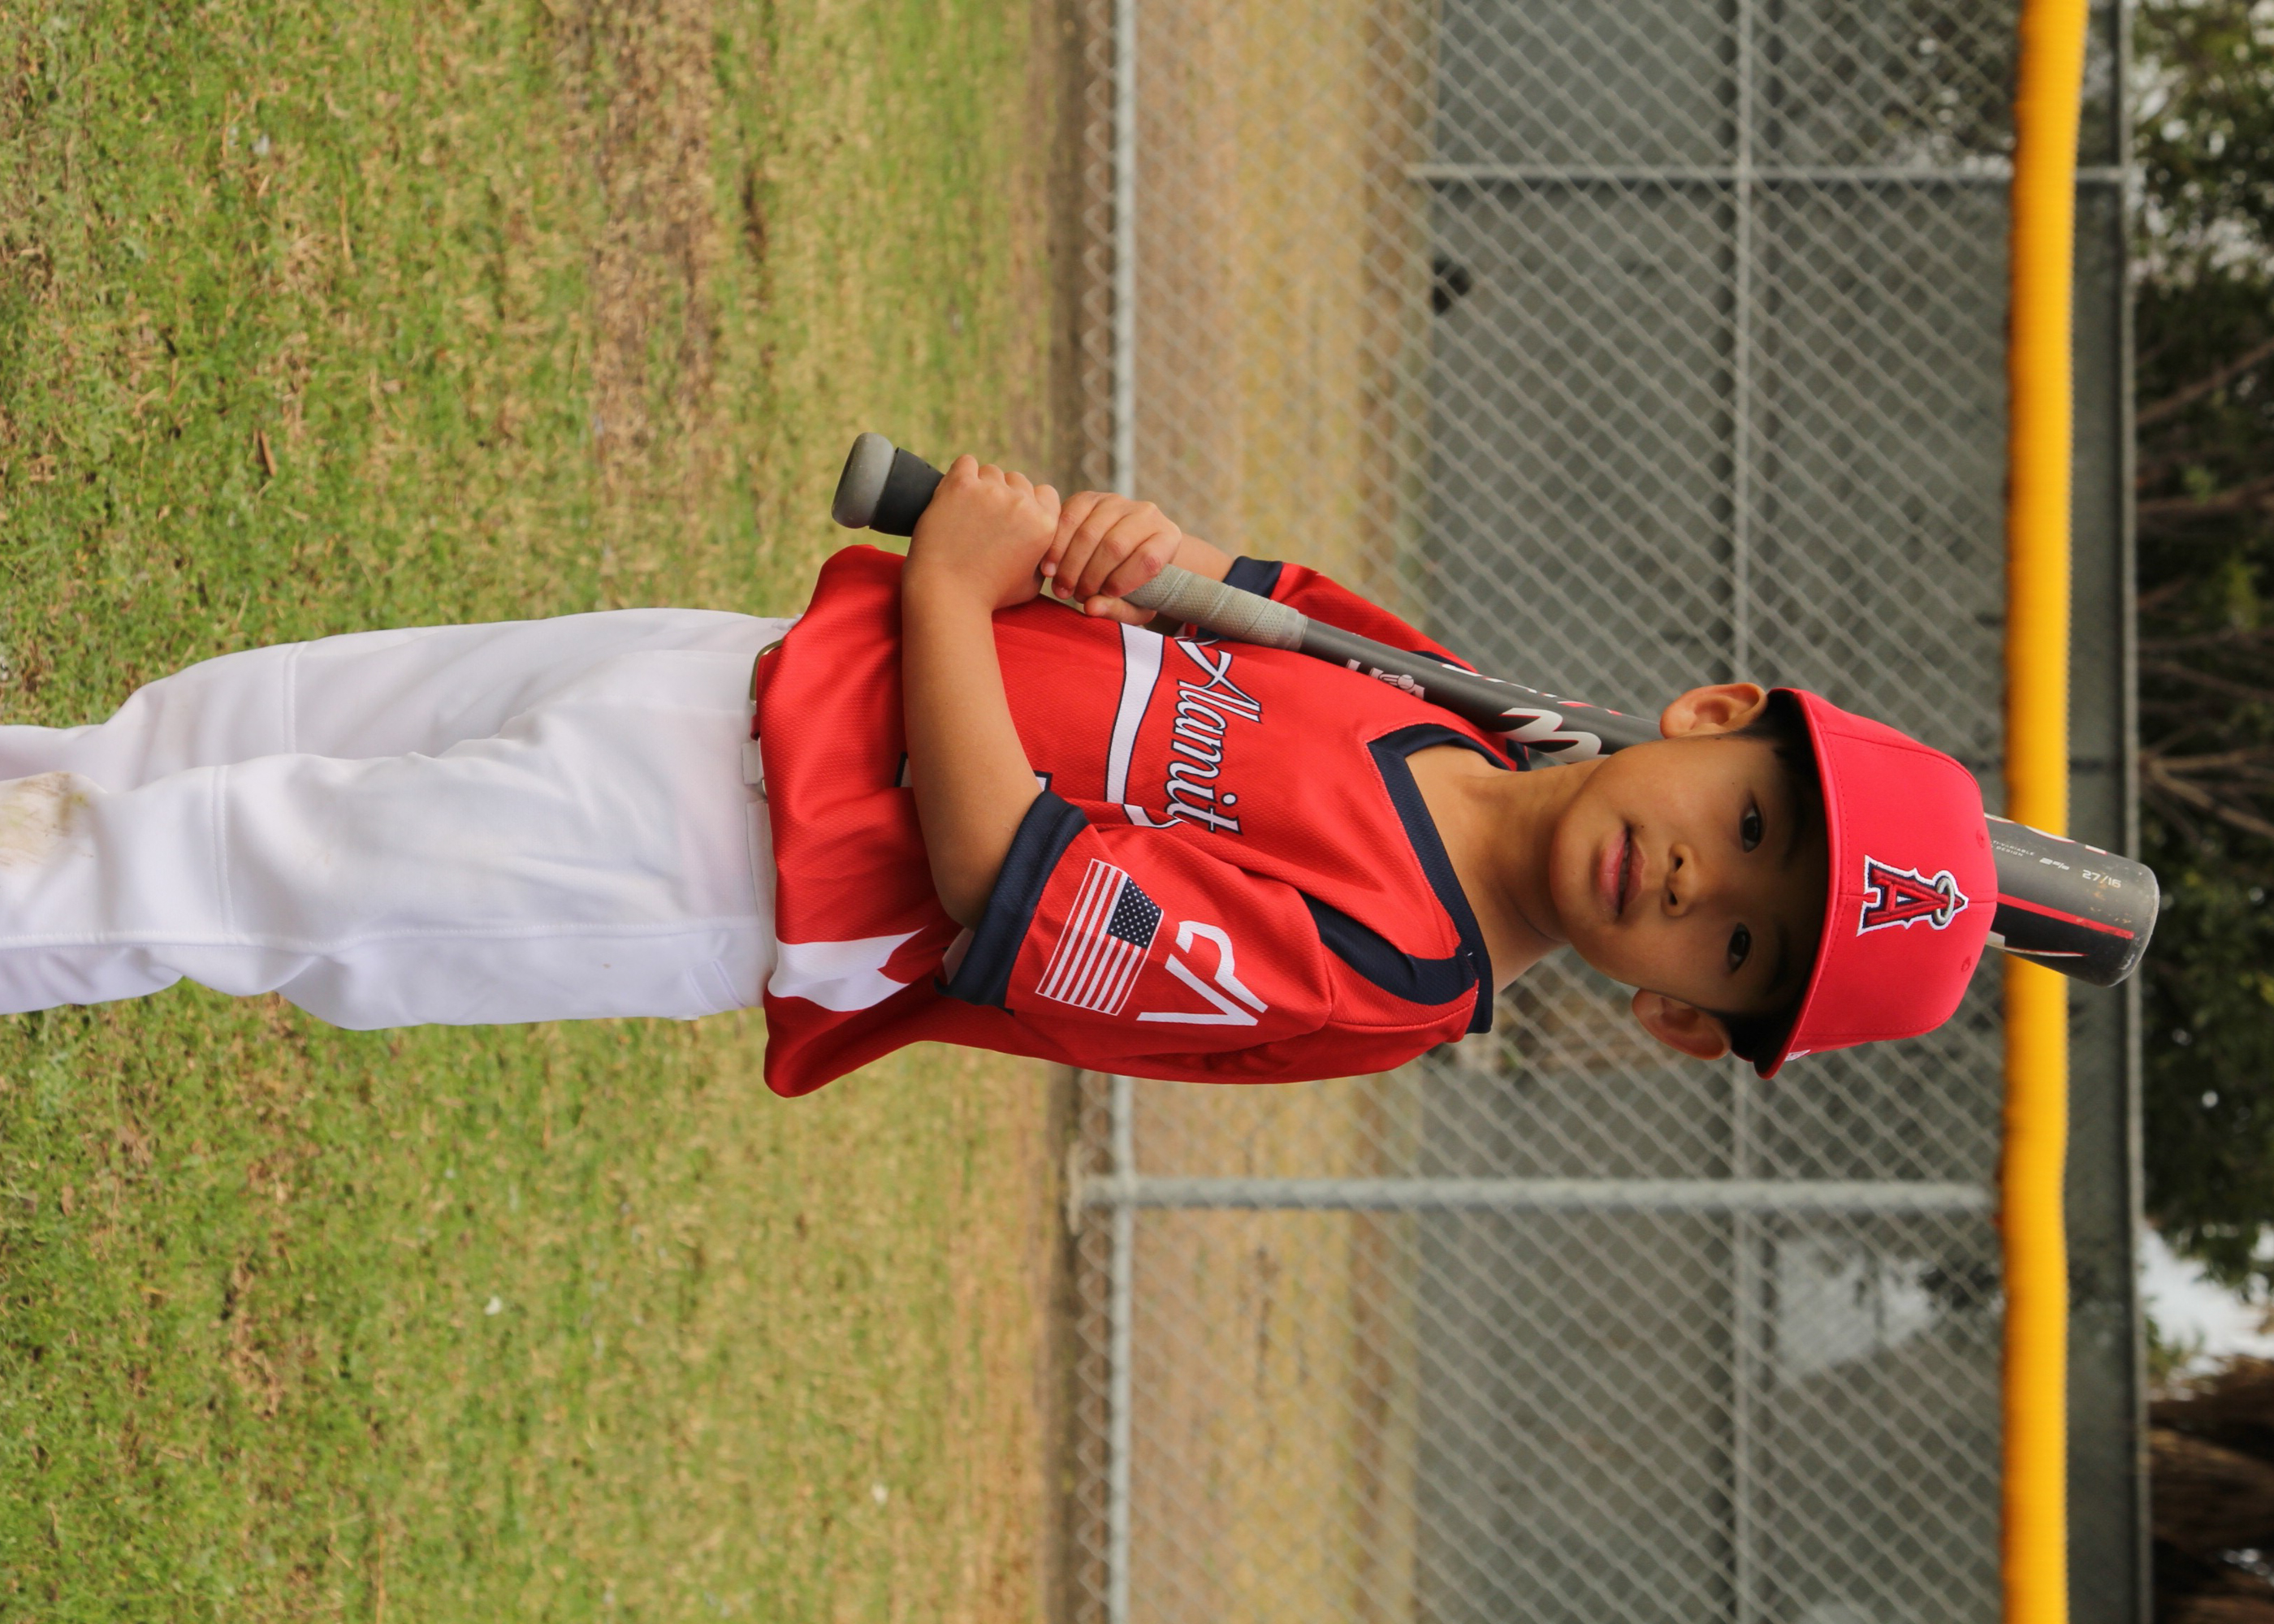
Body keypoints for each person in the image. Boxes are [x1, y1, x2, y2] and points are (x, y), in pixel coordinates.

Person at [0, 456, 1993, 1097]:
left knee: (224, 868)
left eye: (1739, 947)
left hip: (726, 866)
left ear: (1675, 1018)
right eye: (1754, 829)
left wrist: (952, 583)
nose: (1700, 883)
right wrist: (1114, 545)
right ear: (1715, 714)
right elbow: (1193, 598)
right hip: (745, 677)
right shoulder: (1451, 705)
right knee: (186, 752)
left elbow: (1007, 878)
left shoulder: (1389, 972)